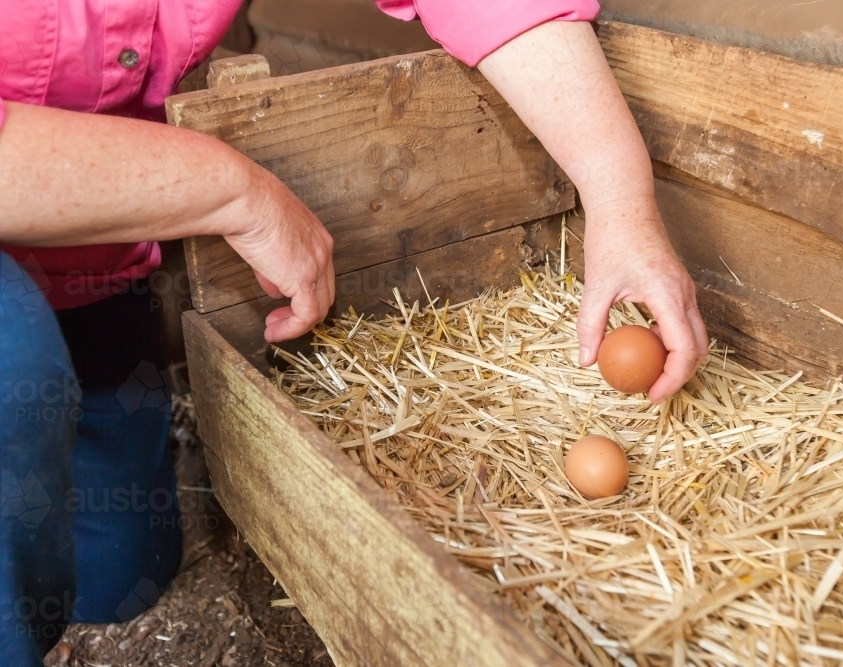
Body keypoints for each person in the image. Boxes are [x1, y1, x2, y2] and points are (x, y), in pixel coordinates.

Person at [0, 1, 709, 664]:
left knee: (125, 569)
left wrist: (620, 196)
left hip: (100, 245)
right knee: (16, 368)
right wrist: (231, 189)